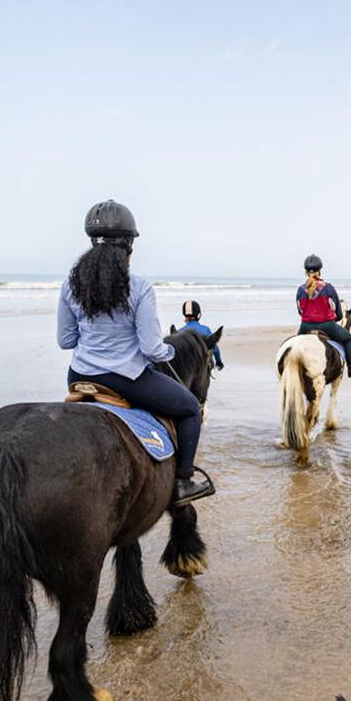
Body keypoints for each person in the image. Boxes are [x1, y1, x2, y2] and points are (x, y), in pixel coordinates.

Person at [57, 200, 213, 506]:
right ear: (129, 245)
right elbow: (152, 349)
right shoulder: (139, 288)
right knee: (191, 408)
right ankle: (182, 483)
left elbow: (66, 340)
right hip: (124, 378)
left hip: (79, 376)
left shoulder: (71, 285)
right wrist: (169, 349)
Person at [295, 254, 351, 377]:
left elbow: (300, 311)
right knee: (347, 339)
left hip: (305, 327)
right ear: (320, 271)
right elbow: (339, 314)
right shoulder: (328, 288)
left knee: (295, 346)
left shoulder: (300, 290)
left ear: (305, 272)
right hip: (327, 326)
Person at [179, 299, 224, 370]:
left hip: (185, 369)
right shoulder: (206, 329)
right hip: (201, 368)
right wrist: (219, 362)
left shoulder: (179, 332)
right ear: (199, 315)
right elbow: (215, 348)